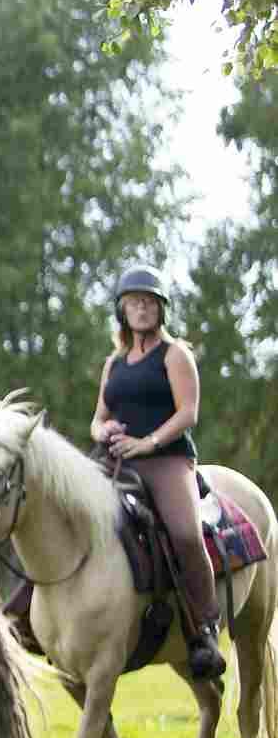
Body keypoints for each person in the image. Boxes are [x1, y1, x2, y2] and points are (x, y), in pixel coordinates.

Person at [90, 265, 225, 681]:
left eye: (149, 302)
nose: (142, 309)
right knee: (63, 510)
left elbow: (188, 413)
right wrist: (104, 430)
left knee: (185, 533)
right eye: (134, 303)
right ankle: (28, 610)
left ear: (161, 310)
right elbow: (97, 420)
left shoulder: (175, 354)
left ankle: (204, 631)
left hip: (167, 460)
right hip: (115, 459)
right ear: (123, 312)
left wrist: (146, 443)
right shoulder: (113, 362)